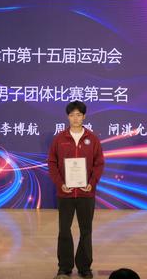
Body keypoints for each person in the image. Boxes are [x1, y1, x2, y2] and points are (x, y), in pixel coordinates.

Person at [48, 101, 105, 279]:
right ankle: (64, 267)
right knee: (64, 230)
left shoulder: (92, 139)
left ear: (84, 116)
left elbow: (99, 163)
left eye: (79, 115)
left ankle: (84, 267)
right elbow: (52, 163)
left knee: (86, 231)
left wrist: (92, 183)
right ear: (68, 117)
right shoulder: (59, 139)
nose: (75, 118)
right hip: (65, 193)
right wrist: (60, 183)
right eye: (72, 115)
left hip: (86, 193)